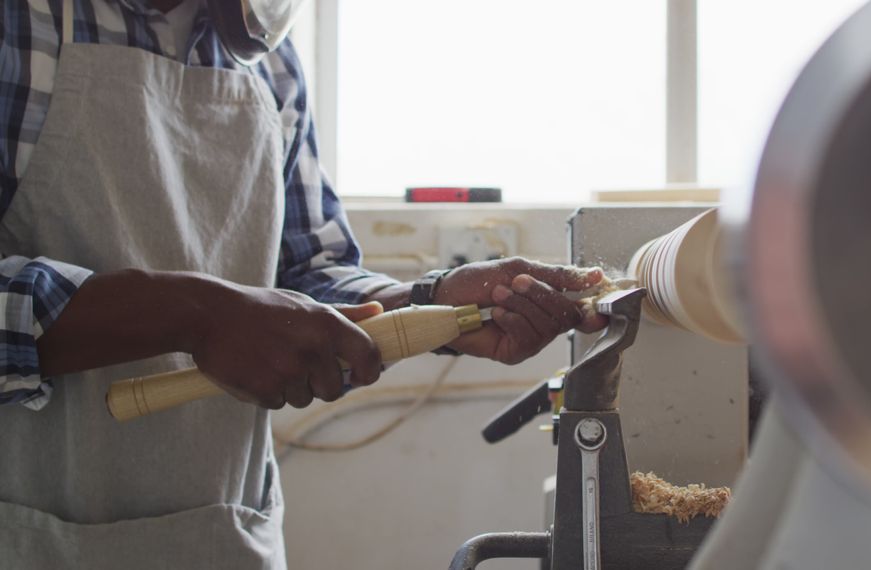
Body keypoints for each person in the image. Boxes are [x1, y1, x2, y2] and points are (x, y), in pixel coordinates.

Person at [0, 1, 605, 567]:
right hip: (32, 537)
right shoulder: (22, 27)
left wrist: (431, 303)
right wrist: (195, 315)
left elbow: (308, 275)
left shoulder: (267, 56)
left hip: (223, 535)